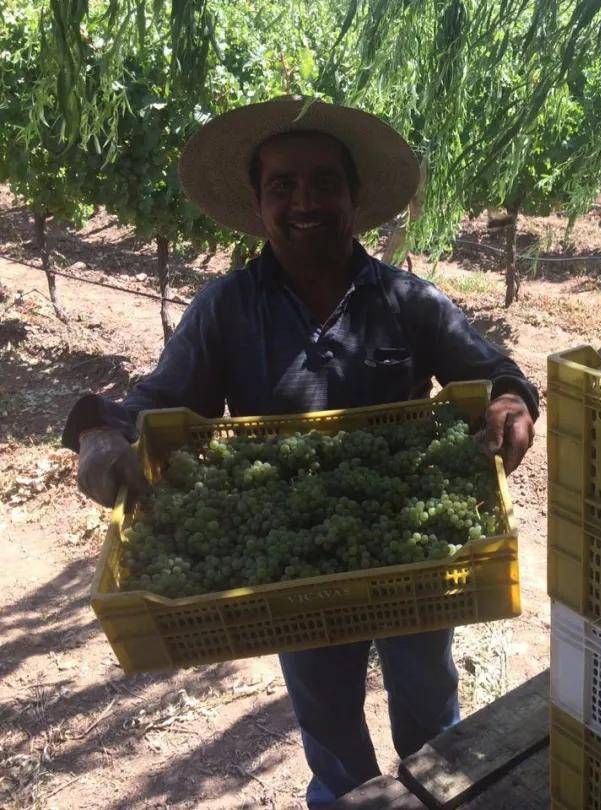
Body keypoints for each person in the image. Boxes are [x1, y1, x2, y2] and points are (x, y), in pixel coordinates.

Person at [61, 95, 539, 807]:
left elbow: (495, 372)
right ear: (259, 205)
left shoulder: (408, 300)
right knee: (328, 720)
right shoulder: (225, 308)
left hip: (412, 556)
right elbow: (153, 402)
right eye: (282, 186)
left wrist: (512, 401)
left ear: (353, 197)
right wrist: (99, 434)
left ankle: (444, 795)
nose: (303, 200)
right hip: (298, 581)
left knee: (429, 709)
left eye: (323, 182)